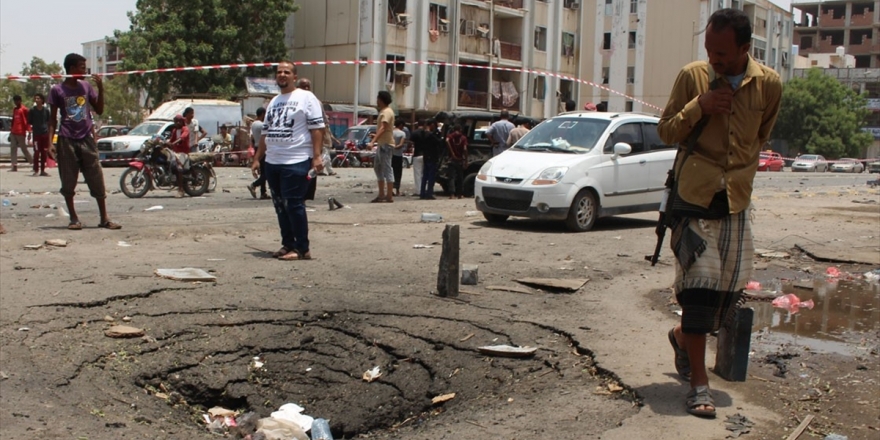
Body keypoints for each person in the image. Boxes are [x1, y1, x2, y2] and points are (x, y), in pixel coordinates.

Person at [657, 8, 782, 418]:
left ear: (745, 49)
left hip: (736, 200)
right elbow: (666, 131)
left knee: (726, 297)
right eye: (709, 49)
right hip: (692, 197)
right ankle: (699, 385)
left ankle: (680, 337)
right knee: (697, 291)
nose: (714, 58)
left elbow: (760, 137)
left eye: (723, 53)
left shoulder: (769, 85)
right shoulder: (692, 76)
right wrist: (701, 106)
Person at [251, 60, 324, 261]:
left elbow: (317, 128)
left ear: (294, 76)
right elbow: (266, 133)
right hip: (273, 161)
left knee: (294, 204)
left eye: (286, 72)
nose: (282, 75)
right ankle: (288, 243)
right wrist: (257, 158)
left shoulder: (306, 97)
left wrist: (316, 156)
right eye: (279, 72)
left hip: (296, 159)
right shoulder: (274, 102)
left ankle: (302, 248)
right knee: (279, 205)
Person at [48, 53, 121, 230]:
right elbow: (52, 119)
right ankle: (74, 218)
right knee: (68, 179)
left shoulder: (86, 87)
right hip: (66, 138)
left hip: (86, 137)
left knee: (95, 176)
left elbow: (100, 110)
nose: (85, 71)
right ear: (72, 69)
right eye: (82, 67)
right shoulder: (57, 90)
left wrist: (101, 89)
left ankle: (104, 217)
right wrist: (50, 142)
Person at [370, 90, 395, 203]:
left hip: (386, 144)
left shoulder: (386, 112)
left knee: (387, 169)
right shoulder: (384, 111)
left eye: (378, 99)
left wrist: (373, 141)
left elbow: (384, 128)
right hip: (382, 144)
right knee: (378, 168)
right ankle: (381, 194)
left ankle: (389, 196)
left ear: (381, 99)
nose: (377, 101)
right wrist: (376, 137)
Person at [246, 107, 270, 199]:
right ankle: (254, 185)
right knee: (267, 173)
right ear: (263, 114)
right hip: (263, 148)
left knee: (263, 171)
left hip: (257, 147)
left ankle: (263, 192)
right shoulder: (262, 125)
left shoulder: (254, 124)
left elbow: (252, 138)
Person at [167, 115, 191, 198]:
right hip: (176, 152)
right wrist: (165, 143)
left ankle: (181, 190)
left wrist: (173, 143)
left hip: (183, 152)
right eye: (176, 121)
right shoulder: (174, 130)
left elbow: (182, 137)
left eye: (179, 121)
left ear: (182, 121)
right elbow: (171, 140)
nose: (177, 123)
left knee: (178, 167)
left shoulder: (185, 129)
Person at [28, 93, 52, 176]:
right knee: (37, 152)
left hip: (44, 134)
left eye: (38, 98)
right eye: (35, 98)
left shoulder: (46, 111)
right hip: (36, 134)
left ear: (42, 100)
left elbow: (49, 121)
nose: (36, 100)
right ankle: (36, 170)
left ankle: (42, 170)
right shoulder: (32, 110)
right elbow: (30, 121)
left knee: (44, 152)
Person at [419, 119, 442, 200]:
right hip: (431, 156)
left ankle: (423, 193)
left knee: (425, 175)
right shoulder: (430, 134)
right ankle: (429, 193)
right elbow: (438, 142)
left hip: (427, 156)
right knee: (430, 176)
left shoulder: (424, 133)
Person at [9, 95, 33, 172]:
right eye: (15, 101)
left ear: (20, 101)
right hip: (13, 132)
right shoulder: (15, 109)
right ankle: (14, 165)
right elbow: (13, 120)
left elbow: (28, 121)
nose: (16, 102)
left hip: (21, 132)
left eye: (17, 101)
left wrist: (29, 130)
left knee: (24, 149)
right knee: (13, 148)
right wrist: (11, 129)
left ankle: (33, 163)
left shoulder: (24, 109)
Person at [445, 124, 468, 199]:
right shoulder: (463, 138)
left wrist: (452, 153)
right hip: (460, 159)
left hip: (452, 159)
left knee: (451, 177)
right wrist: (466, 160)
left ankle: (452, 194)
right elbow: (465, 149)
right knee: (460, 177)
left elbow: (447, 140)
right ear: (460, 129)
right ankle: (460, 194)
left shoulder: (451, 136)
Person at [410, 119, 426, 197]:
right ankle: (424, 189)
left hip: (417, 154)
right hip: (425, 155)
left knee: (417, 174)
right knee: (424, 173)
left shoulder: (415, 133)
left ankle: (418, 191)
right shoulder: (427, 133)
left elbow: (411, 142)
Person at [391, 120, 407, 196]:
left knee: (390, 172)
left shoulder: (391, 132)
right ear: (400, 125)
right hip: (398, 155)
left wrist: (392, 147)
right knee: (398, 173)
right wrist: (396, 147)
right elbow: (401, 144)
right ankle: (397, 190)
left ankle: (390, 190)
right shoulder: (402, 133)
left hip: (390, 155)